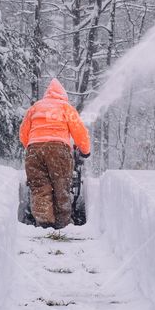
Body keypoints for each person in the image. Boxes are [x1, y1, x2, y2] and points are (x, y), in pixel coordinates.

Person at [19, 79, 91, 229]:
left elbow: (23, 133)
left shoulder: (35, 108)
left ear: (47, 95)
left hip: (34, 151)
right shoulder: (66, 107)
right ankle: (62, 224)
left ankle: (44, 223)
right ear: (63, 95)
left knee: (39, 187)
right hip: (58, 151)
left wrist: (34, 146)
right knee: (61, 187)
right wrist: (85, 151)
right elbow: (80, 132)